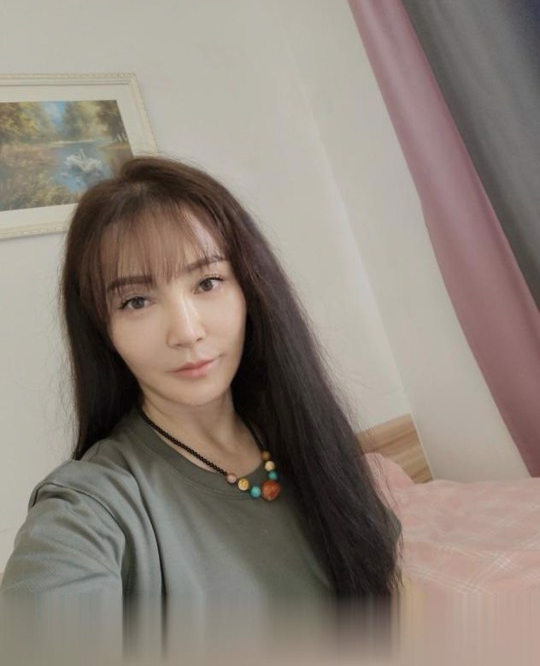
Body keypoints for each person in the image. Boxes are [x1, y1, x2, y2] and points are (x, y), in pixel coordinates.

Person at [0, 156, 401, 654]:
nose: (187, 331)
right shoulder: (91, 507)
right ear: (104, 330)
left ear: (250, 289)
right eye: (136, 301)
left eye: (207, 283)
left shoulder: (307, 439)